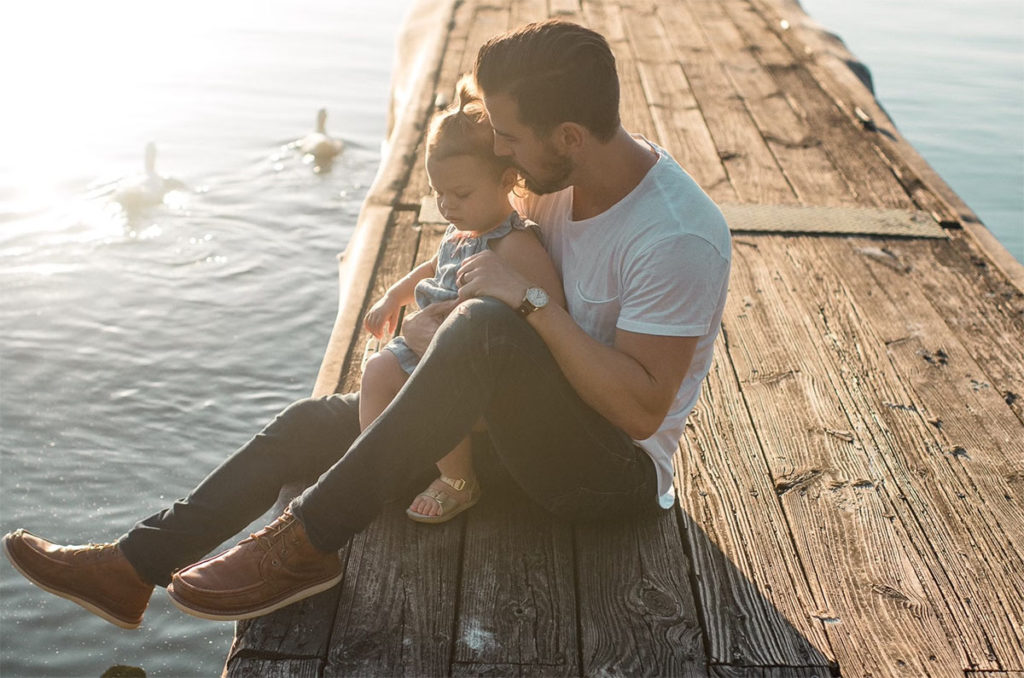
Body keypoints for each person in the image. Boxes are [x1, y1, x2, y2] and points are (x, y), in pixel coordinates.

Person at [2, 18, 731, 628]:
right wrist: (415, 296)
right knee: (307, 425)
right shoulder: (552, 183)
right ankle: (133, 567)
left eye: (508, 136)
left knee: (484, 327)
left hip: (605, 476)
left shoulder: (675, 235)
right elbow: (479, 251)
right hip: (510, 430)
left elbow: (640, 412)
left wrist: (526, 305)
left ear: (568, 135)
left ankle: (306, 544)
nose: (498, 149)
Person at [360, 77, 564, 523]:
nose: (447, 206)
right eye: (439, 194)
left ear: (508, 179)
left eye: (461, 194)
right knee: (376, 371)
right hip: (428, 340)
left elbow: (549, 308)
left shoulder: (514, 244)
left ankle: (459, 479)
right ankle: (379, 466)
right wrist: (395, 296)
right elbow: (434, 265)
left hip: (471, 365)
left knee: (436, 393)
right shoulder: (462, 229)